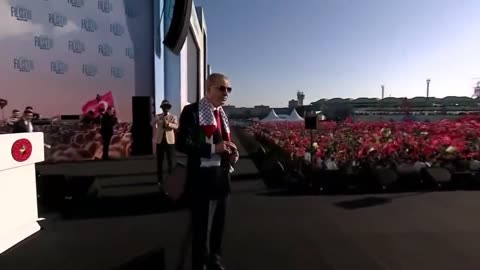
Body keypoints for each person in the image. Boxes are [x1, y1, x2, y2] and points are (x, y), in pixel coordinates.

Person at [176, 73, 239, 270]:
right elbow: (182, 143)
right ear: (208, 88)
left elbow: (222, 143)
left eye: (228, 89)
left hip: (222, 176)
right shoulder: (192, 111)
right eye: (221, 88)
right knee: (201, 227)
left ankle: (215, 259)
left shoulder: (222, 114)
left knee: (219, 224)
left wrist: (230, 153)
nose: (226, 92)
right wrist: (213, 149)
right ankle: (199, 263)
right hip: (201, 179)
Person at [151, 100, 178, 186]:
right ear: (162, 108)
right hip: (160, 142)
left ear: (169, 108)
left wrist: (169, 124)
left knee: (170, 161)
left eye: (167, 107)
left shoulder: (173, 117)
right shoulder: (158, 116)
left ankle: (171, 179)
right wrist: (157, 119)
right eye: (163, 107)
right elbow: (151, 123)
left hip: (170, 142)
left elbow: (176, 126)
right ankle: (160, 180)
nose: (165, 109)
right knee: (160, 162)